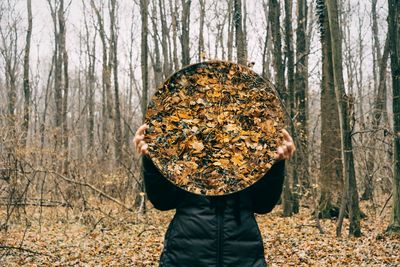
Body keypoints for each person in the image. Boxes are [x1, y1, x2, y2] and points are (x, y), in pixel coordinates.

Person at [133, 124, 295, 267]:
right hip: (184, 257)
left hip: (243, 256)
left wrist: (275, 164)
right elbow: (163, 201)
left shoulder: (250, 141)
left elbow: (263, 204)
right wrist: (152, 161)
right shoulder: (183, 139)